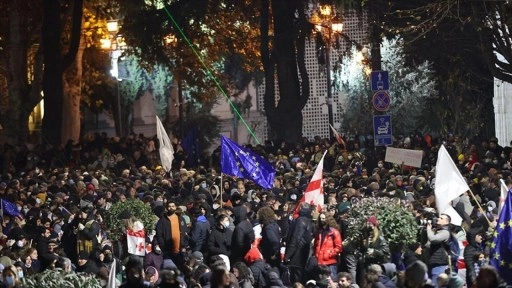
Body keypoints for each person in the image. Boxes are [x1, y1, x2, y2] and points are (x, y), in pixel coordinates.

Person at [285, 202, 313, 284]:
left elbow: (295, 239)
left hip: (297, 254)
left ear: (301, 209)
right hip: (303, 253)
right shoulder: (308, 220)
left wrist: (288, 254)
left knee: (296, 279)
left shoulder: (300, 221)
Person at [313, 213, 342, 281]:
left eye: (323, 218)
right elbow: (316, 245)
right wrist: (316, 255)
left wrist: (329, 254)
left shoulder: (334, 232)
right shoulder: (319, 232)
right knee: (321, 281)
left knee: (331, 280)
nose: (321, 220)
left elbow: (339, 247)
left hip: (330, 261)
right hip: (320, 261)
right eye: (320, 218)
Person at [426, 213, 451, 286]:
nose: (438, 219)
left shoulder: (445, 232)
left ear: (446, 222)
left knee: (436, 284)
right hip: (433, 262)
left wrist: (429, 230)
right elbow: (426, 243)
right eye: (439, 217)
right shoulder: (437, 230)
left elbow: (433, 239)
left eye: (441, 218)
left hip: (439, 263)